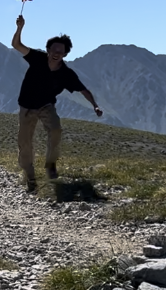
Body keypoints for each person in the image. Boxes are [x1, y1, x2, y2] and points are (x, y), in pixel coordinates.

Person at [11, 16, 103, 191]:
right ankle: (30, 177)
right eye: (54, 49)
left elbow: (83, 90)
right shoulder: (37, 58)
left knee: (55, 130)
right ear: (48, 49)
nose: (57, 53)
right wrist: (20, 27)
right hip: (27, 106)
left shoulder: (66, 73)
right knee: (24, 142)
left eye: (61, 51)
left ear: (65, 54)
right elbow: (17, 45)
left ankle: (50, 165)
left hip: (46, 105)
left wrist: (95, 105)